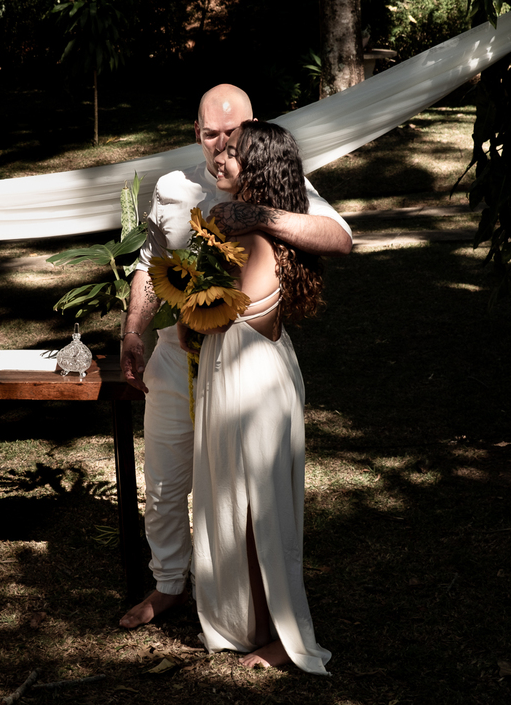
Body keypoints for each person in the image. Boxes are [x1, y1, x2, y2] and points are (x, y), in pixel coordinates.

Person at [119, 84, 351, 628]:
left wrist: (258, 216)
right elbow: (151, 263)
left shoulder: (271, 175)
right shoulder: (172, 187)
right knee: (165, 481)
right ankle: (170, 585)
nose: (221, 145)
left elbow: (339, 237)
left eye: (232, 134)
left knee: (235, 489)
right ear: (195, 133)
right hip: (175, 359)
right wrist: (133, 330)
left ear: (251, 130)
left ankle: (244, 603)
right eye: (210, 135)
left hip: (238, 363)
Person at [190, 120, 329, 672]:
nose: (220, 159)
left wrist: (187, 300)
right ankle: (252, 621)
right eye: (218, 149)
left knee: (260, 510)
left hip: (252, 384)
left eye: (233, 154)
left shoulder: (253, 237)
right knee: (241, 505)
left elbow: (219, 313)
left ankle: (283, 637)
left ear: (260, 170)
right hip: (241, 373)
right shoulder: (244, 228)